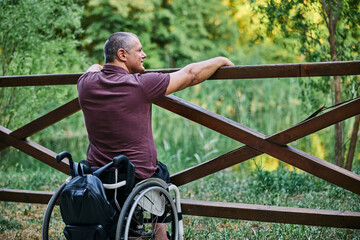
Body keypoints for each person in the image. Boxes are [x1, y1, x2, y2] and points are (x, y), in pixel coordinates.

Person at [77, 32, 234, 239]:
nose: (145, 55)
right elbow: (191, 74)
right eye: (139, 50)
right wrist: (221, 59)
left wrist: (100, 67)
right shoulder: (141, 84)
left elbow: (94, 68)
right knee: (161, 171)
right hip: (137, 177)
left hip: (99, 174)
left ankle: (131, 229)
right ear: (122, 54)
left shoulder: (86, 84)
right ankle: (160, 235)